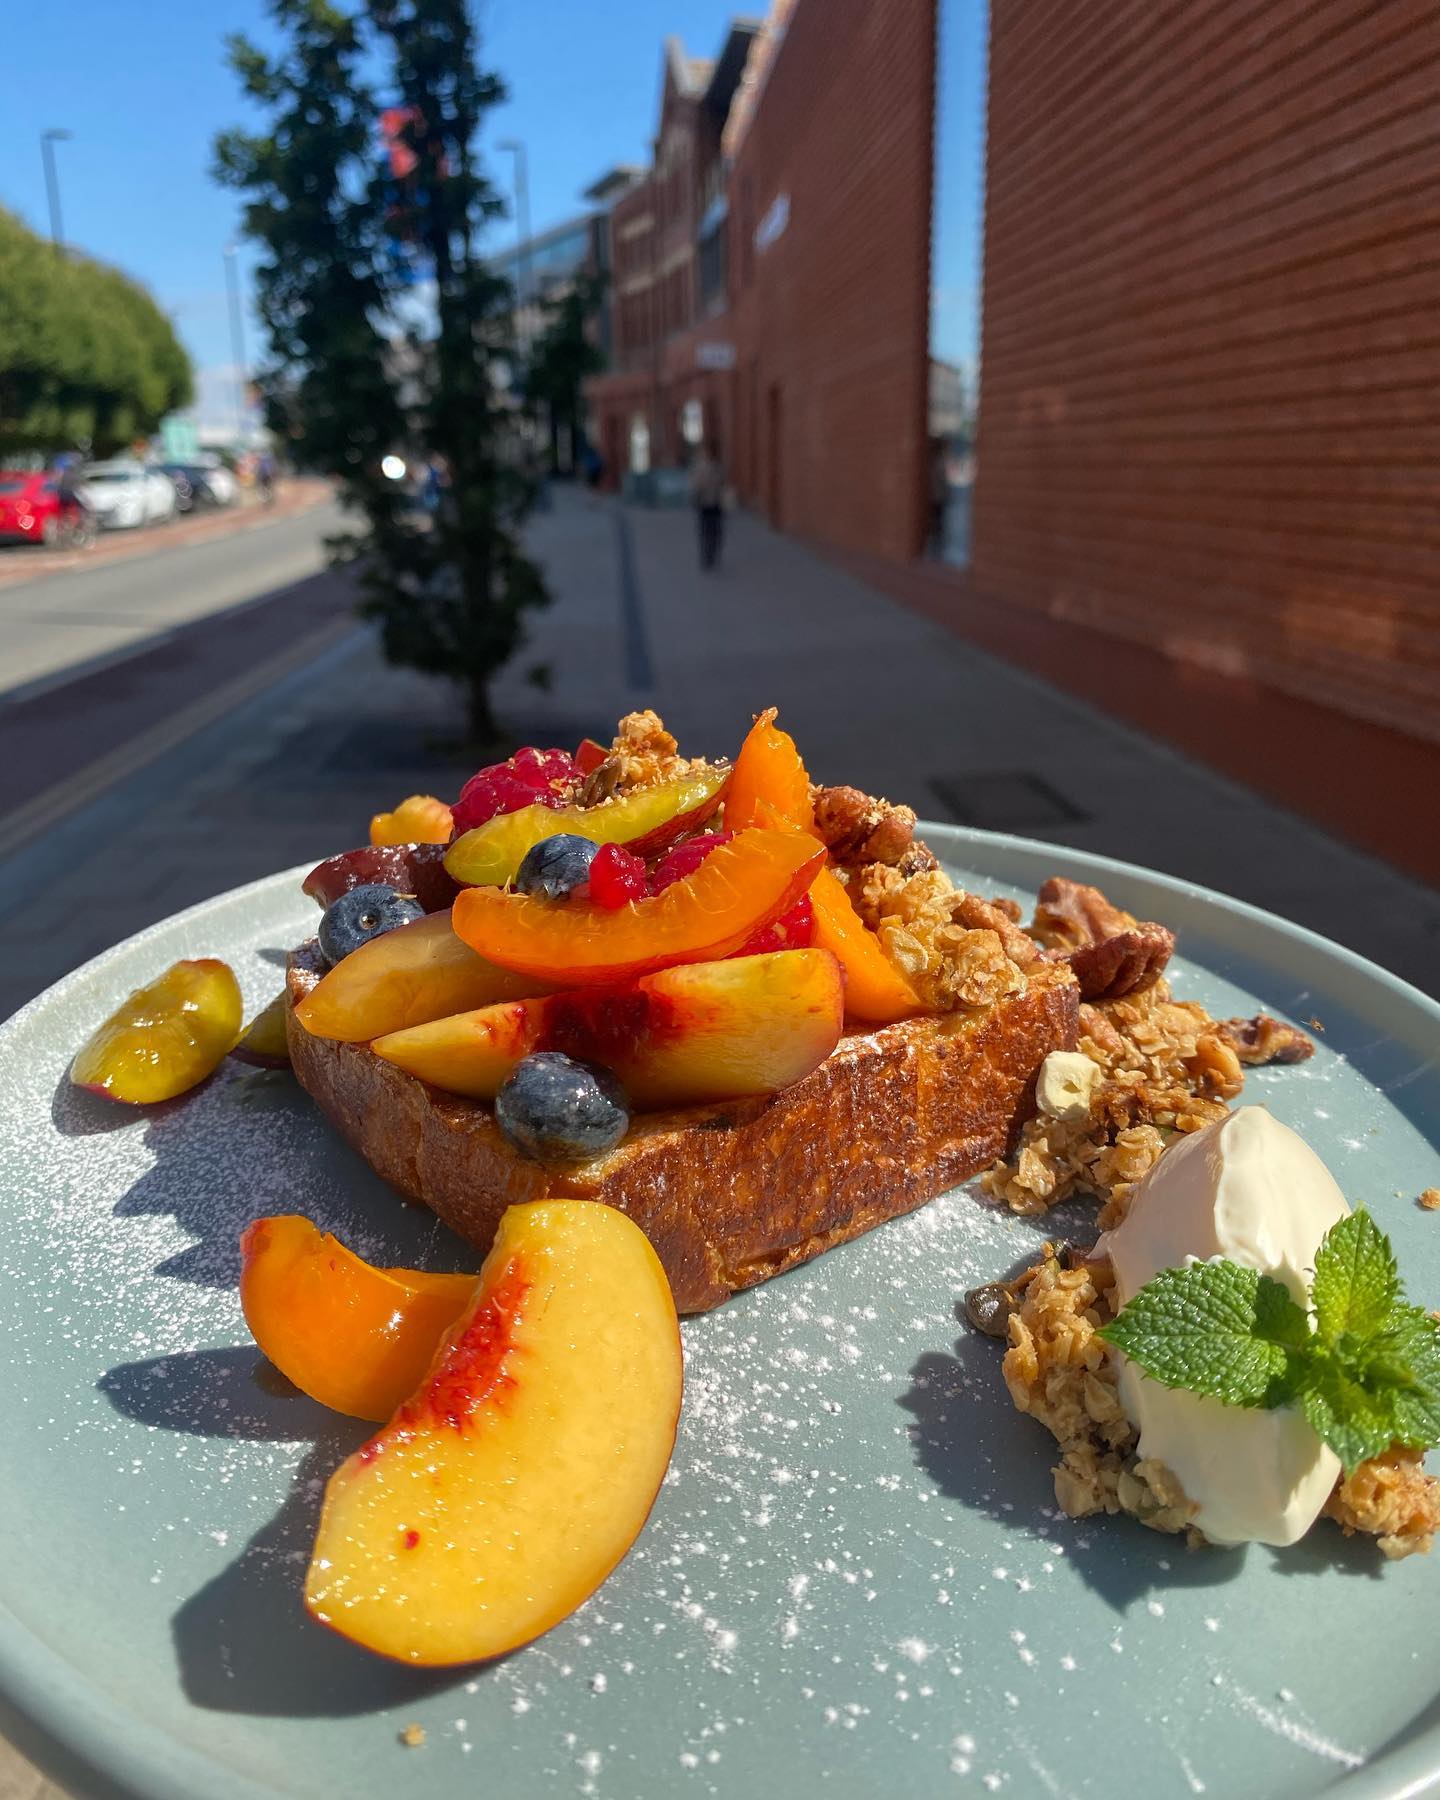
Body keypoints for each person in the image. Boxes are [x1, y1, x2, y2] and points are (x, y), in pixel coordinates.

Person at [690, 440, 726, 570]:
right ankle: (706, 557)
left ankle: (712, 555)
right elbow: (695, 485)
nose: (703, 454)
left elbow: (722, 483)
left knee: (715, 532)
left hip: (715, 503)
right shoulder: (699, 467)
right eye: (702, 451)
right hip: (704, 503)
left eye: (705, 451)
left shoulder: (717, 467)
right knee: (705, 531)